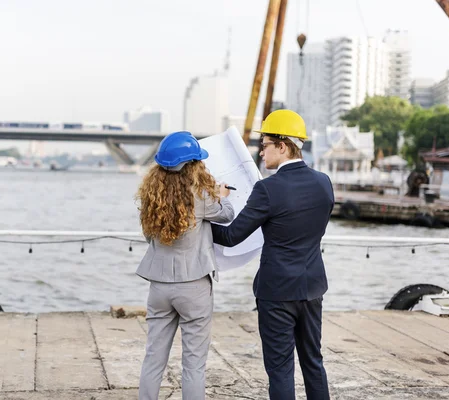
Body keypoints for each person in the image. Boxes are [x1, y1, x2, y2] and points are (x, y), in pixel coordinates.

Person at [211, 110, 334, 400]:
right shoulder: (324, 182)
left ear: (283, 145)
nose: (260, 151)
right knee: (313, 362)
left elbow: (230, 237)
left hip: (276, 291)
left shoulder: (267, 189)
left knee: (280, 369)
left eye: (264, 144)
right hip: (313, 287)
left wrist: (210, 211)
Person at [136, 131, 234, 400]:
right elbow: (227, 214)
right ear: (193, 164)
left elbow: (149, 237)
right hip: (194, 286)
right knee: (193, 364)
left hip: (159, 286)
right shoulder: (200, 197)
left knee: (153, 358)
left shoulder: (150, 198)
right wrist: (221, 194)